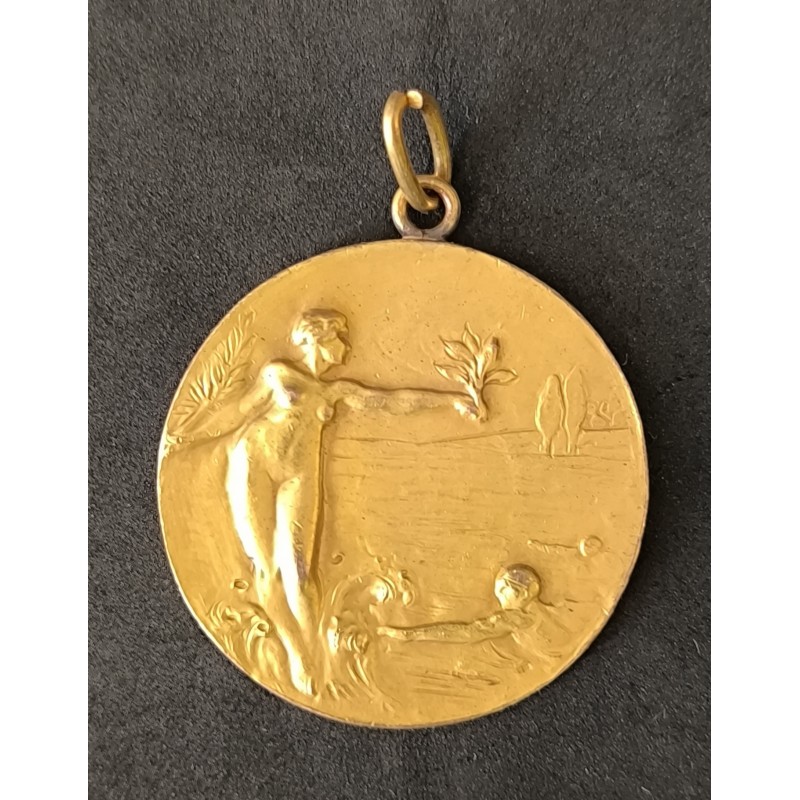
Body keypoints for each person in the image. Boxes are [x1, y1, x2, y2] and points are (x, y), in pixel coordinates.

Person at [206, 309, 476, 695]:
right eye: (340, 338)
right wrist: (191, 436)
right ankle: (297, 653)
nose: (346, 348)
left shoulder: (337, 391)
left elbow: (391, 401)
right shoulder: (277, 372)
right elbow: (239, 411)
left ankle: (315, 650)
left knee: (300, 572)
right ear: (318, 339)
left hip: (298, 475)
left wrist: (452, 401)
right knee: (267, 570)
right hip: (254, 463)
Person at [377, 564, 545, 645]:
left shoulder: (518, 619)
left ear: (525, 593)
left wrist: (410, 635)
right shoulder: (543, 613)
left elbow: (466, 633)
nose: (499, 595)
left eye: (503, 589)